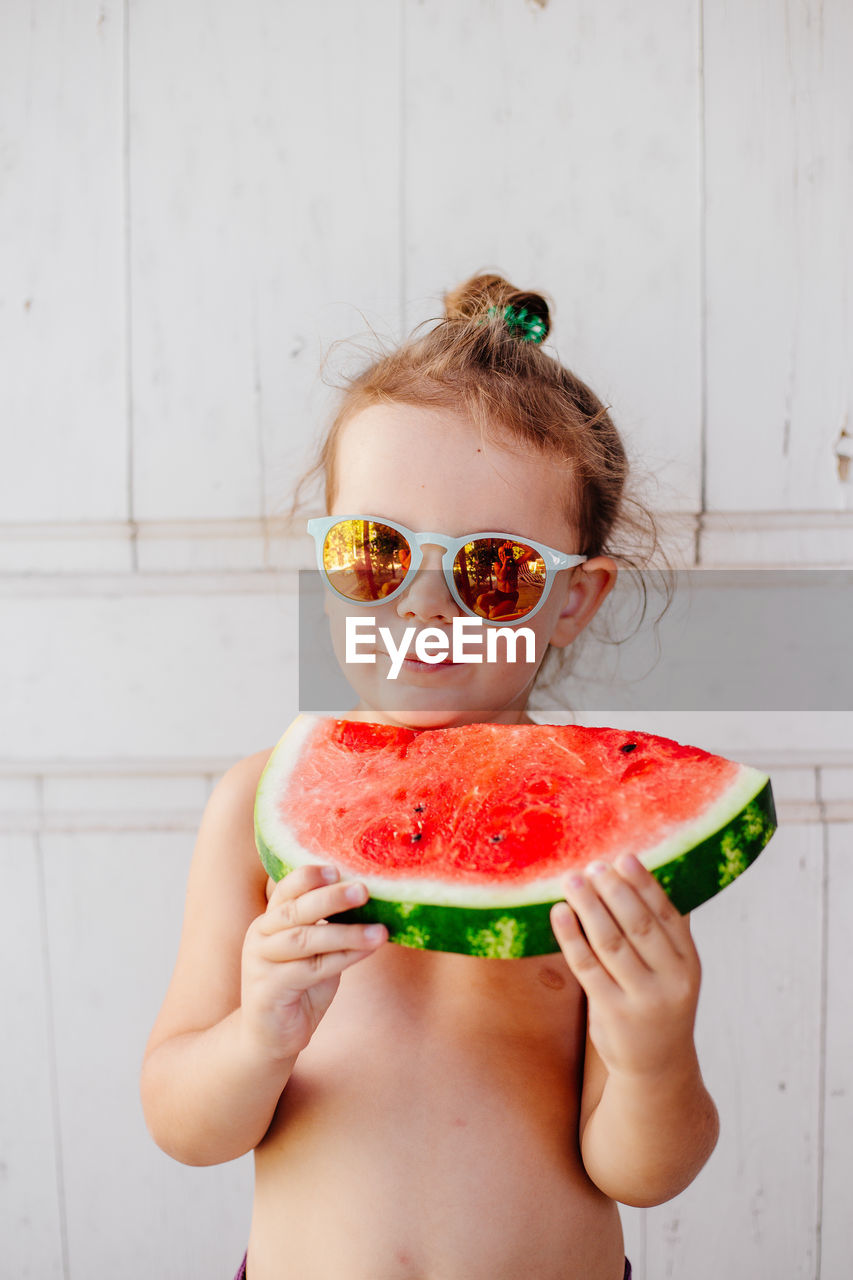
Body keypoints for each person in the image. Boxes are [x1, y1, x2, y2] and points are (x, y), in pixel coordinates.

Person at [140, 273, 719, 1280]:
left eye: (493, 569)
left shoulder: (603, 826)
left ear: (575, 598)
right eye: (375, 551)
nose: (421, 602)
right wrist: (259, 1032)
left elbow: (637, 1169)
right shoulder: (252, 804)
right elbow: (185, 1123)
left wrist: (653, 1045)